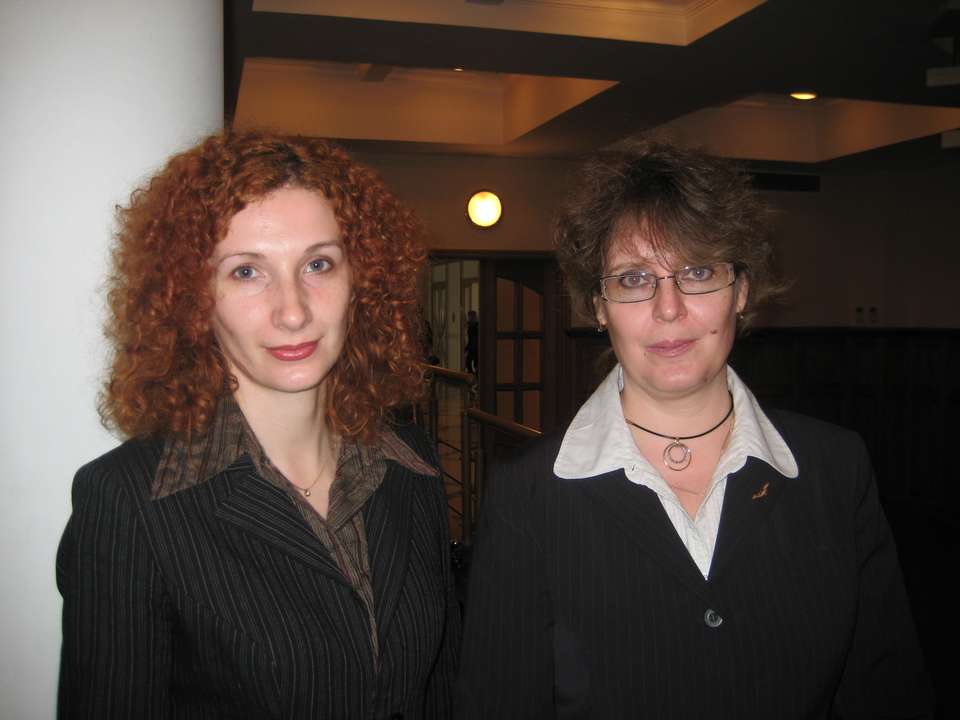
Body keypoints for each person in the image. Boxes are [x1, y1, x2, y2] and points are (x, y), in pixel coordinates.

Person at [457, 141, 932, 718]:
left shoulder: (836, 469)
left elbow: (888, 691)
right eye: (634, 278)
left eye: (699, 271)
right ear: (599, 305)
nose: (669, 308)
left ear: (742, 290)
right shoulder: (527, 496)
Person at [57, 130, 459, 718]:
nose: (293, 311)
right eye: (247, 272)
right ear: (193, 298)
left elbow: (440, 690)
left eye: (318, 264)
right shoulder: (129, 502)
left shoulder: (411, 464)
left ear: (361, 282)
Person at [463, 310, 478, 375]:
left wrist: (468, 348)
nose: (468, 318)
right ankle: (471, 375)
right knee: (468, 362)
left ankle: (475, 376)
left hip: (476, 347)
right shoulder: (470, 326)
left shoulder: (476, 326)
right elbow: (470, 339)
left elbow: (475, 339)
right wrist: (467, 348)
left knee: (475, 363)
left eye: (469, 316)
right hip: (472, 347)